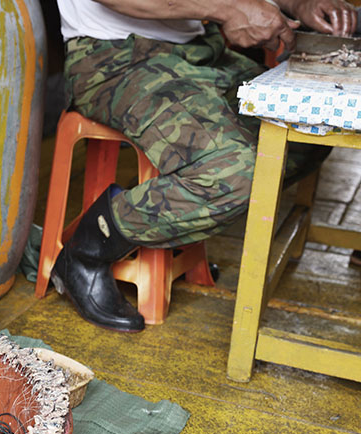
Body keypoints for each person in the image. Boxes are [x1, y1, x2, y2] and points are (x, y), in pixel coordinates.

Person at [53, 0, 358, 332]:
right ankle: (88, 249)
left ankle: (173, 225)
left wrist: (299, 3)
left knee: (305, 134)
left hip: (200, 50)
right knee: (233, 176)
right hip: (115, 57)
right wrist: (230, 9)